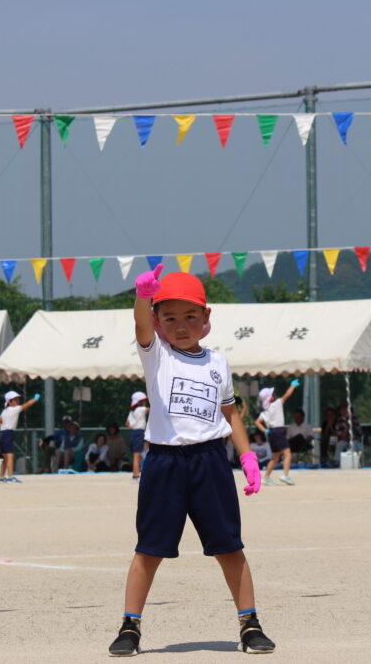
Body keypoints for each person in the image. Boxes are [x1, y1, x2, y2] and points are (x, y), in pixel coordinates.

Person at [107, 265, 274, 657]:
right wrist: (142, 298)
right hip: (164, 463)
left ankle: (250, 624)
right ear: (158, 322)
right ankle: (130, 627)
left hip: (211, 461)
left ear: (206, 318)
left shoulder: (218, 363)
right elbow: (140, 326)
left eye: (189, 316)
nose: (180, 325)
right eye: (169, 318)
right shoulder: (157, 355)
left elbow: (231, 414)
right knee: (149, 549)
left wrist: (248, 456)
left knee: (229, 547)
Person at [255, 380, 300, 486]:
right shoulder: (277, 403)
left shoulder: (265, 411)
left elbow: (257, 422)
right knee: (288, 454)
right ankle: (285, 475)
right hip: (279, 431)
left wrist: (265, 430)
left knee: (275, 457)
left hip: (271, 433)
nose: (275, 395)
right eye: (273, 394)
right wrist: (292, 385)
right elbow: (287, 395)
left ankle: (266, 477)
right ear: (271, 397)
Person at [0, 390, 40, 483]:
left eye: (17, 399)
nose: (17, 401)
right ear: (9, 402)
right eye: (15, 400)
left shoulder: (5, 410)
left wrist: (2, 427)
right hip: (8, 433)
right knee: (10, 455)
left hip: (2, 433)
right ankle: (11, 476)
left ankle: (1, 477)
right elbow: (27, 404)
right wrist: (35, 399)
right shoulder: (15, 409)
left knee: (5, 457)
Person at [125, 392, 149, 482]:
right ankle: (135, 476)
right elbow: (151, 409)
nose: (145, 402)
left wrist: (133, 424)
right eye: (144, 401)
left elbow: (127, 424)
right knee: (137, 455)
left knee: (137, 455)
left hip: (134, 432)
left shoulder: (132, 412)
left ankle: (136, 474)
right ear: (140, 402)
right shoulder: (141, 409)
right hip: (139, 433)